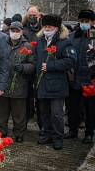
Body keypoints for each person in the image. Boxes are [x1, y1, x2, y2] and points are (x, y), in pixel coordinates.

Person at [36, 14, 77, 150]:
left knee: (57, 113)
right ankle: (48, 134)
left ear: (57, 28)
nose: (47, 29)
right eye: (45, 26)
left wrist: (51, 66)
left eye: (50, 27)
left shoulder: (64, 41)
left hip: (57, 84)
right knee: (44, 112)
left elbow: (71, 60)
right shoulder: (41, 40)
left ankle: (58, 137)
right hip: (42, 83)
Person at [0, 21, 35, 142]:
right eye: (12, 31)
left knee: (19, 113)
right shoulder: (2, 43)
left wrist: (24, 68)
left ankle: (19, 133)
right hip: (3, 83)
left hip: (19, 84)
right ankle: (2, 132)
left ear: (21, 32)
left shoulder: (27, 46)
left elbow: (33, 65)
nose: (14, 33)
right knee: (2, 112)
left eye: (17, 31)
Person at [64, 10, 95, 144]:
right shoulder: (72, 37)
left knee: (90, 108)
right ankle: (73, 129)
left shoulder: (93, 37)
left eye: (86, 22)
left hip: (90, 78)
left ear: (92, 23)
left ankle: (89, 132)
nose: (84, 24)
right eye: (81, 21)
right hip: (74, 77)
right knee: (73, 106)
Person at [22, 5, 44, 134]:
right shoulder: (23, 29)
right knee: (25, 98)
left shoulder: (44, 28)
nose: (31, 17)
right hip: (26, 67)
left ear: (39, 15)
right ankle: (22, 125)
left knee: (40, 99)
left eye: (34, 15)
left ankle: (43, 127)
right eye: (29, 15)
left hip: (40, 68)